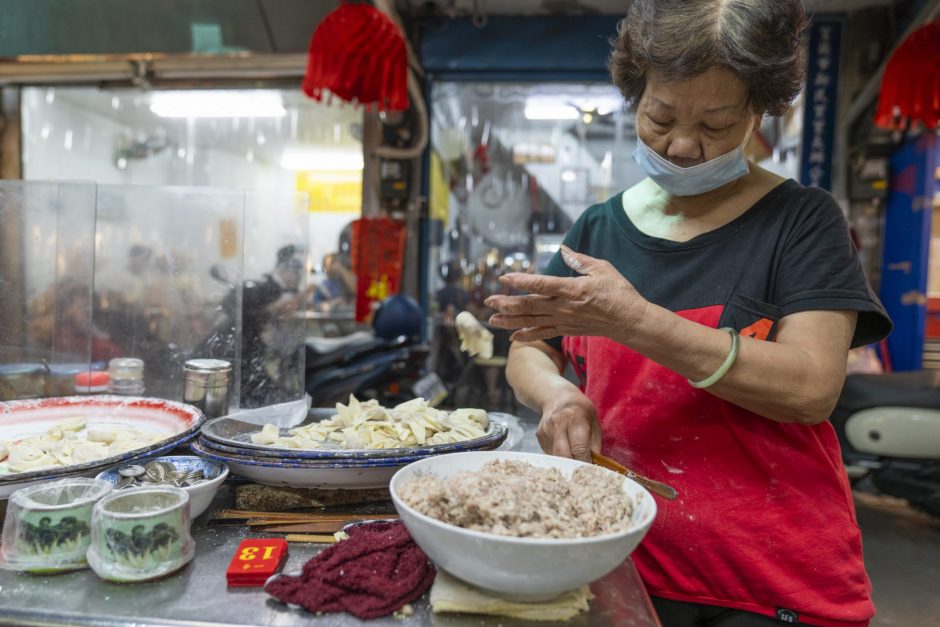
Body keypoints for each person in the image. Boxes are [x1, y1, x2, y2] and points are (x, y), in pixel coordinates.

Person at [486, 2, 892, 626]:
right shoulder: (598, 227)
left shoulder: (803, 223)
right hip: (625, 555)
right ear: (635, 96)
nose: (681, 145)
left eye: (716, 123)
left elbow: (811, 387)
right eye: (661, 117)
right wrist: (557, 399)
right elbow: (530, 345)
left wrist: (634, 321)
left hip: (770, 579)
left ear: (758, 112)